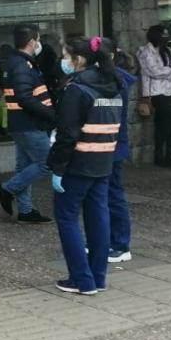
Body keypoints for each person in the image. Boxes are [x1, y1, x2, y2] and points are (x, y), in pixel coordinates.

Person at [48, 36, 123, 295]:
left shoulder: (77, 89)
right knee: (98, 217)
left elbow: (67, 134)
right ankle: (97, 278)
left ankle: (81, 279)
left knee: (67, 218)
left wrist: (57, 168)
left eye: (66, 56)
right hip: (103, 161)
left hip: (77, 164)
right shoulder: (113, 85)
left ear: (78, 60)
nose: (64, 61)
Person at [0, 24, 55, 224]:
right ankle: (7, 189)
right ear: (31, 42)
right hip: (29, 124)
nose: (39, 44)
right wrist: (51, 114)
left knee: (25, 167)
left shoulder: (18, 62)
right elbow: (25, 97)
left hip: (23, 123)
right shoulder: (21, 65)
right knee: (47, 163)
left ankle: (25, 210)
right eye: (38, 40)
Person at [137, 24, 171, 168]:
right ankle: (169, 154)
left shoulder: (167, 51)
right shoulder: (145, 52)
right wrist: (170, 70)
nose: (166, 37)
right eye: (163, 35)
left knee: (162, 123)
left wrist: (169, 73)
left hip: (168, 91)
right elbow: (153, 71)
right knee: (170, 120)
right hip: (154, 92)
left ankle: (160, 154)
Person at [108, 47, 136, 264]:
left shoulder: (116, 81)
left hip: (113, 146)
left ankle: (120, 244)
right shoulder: (117, 79)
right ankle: (111, 241)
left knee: (114, 195)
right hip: (112, 145)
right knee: (107, 195)